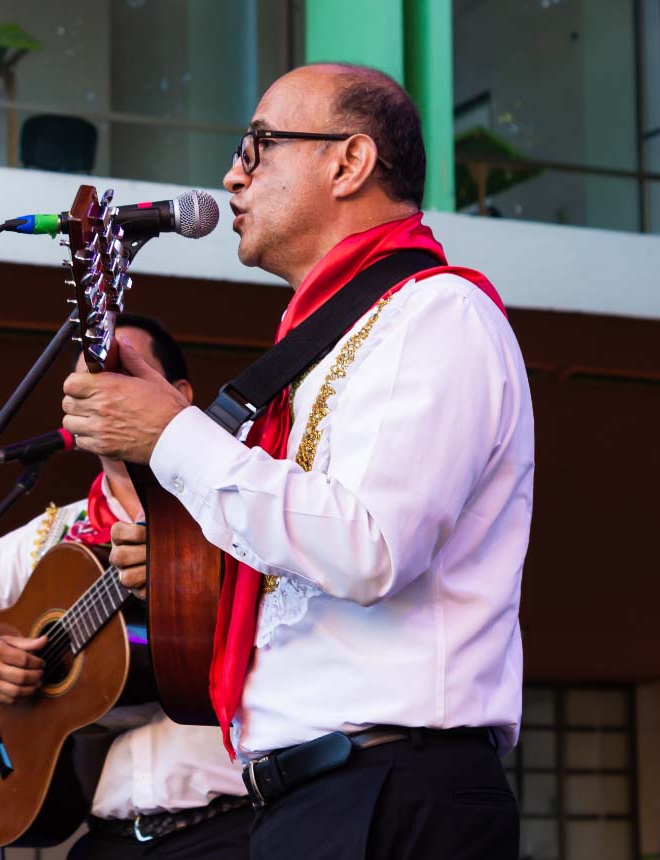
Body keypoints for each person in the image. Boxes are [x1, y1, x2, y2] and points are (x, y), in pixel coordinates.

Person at [61, 63, 534, 859]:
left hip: (391, 790)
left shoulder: (434, 314)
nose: (231, 173)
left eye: (259, 145)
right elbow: (298, 568)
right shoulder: (318, 348)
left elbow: (369, 547)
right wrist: (185, 558)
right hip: (309, 798)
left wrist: (172, 437)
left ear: (348, 162)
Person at [0, 314, 250, 859]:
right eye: (85, 387)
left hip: (234, 826)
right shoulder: (54, 535)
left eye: (121, 375)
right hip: (104, 840)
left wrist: (196, 582)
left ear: (179, 396)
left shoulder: (235, 512)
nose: (100, 397)